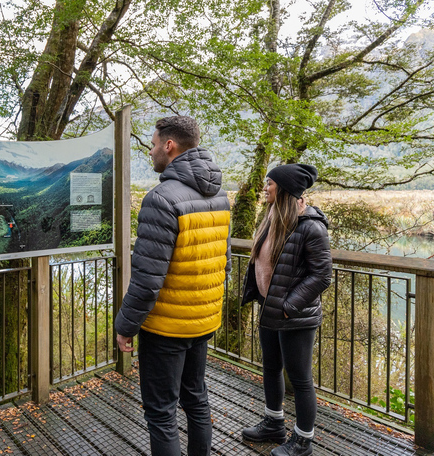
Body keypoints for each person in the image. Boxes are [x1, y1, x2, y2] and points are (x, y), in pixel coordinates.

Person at [115, 115, 231, 456]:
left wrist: (125, 326)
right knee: (195, 398)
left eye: (152, 144)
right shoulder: (221, 196)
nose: (150, 151)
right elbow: (220, 262)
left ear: (169, 146)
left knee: (161, 412)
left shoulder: (161, 199)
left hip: (167, 326)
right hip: (203, 320)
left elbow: (148, 278)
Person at [240, 164, 332, 456]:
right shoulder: (272, 219)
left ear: (285, 190)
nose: (265, 188)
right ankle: (274, 423)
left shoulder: (311, 227)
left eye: (271, 184)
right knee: (270, 368)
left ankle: (303, 441)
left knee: (301, 378)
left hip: (295, 316)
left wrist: (290, 307)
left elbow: (321, 276)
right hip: (271, 309)